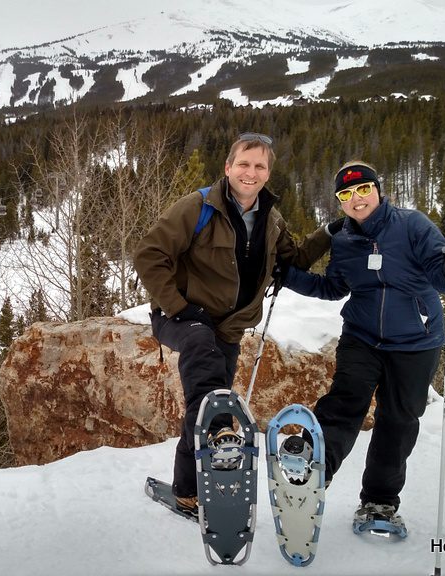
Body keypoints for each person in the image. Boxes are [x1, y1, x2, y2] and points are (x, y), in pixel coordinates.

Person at [134, 132, 333, 514]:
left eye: (260, 166)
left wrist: (329, 234)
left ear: (267, 174)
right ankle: (222, 430)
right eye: (244, 163)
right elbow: (148, 254)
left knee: (203, 402)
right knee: (207, 376)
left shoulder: (270, 219)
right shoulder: (197, 208)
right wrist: (177, 306)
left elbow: (293, 261)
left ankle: (187, 490)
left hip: (228, 327)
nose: (251, 172)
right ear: (228, 168)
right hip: (182, 317)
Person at [280, 160, 445, 531]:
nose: (356, 198)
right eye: (346, 194)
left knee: (398, 421)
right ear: (339, 202)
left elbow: (444, 278)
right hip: (362, 336)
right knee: (346, 399)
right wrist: (286, 276)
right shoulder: (344, 240)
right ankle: (314, 468)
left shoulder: (412, 225)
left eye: (363, 189)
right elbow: (333, 287)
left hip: (416, 340)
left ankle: (379, 502)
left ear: (379, 190)